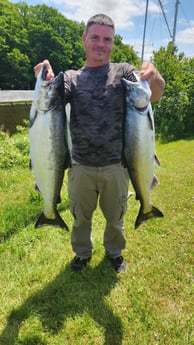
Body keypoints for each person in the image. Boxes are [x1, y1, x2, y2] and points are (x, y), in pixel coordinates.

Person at [34, 13, 165, 273]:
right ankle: (82, 254)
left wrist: (155, 75)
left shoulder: (125, 72)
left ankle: (114, 253)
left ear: (112, 43)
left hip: (116, 165)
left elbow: (156, 95)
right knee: (80, 218)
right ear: (84, 39)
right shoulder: (71, 78)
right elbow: (51, 101)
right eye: (95, 37)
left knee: (115, 219)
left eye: (107, 39)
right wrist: (42, 77)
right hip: (80, 165)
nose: (101, 44)